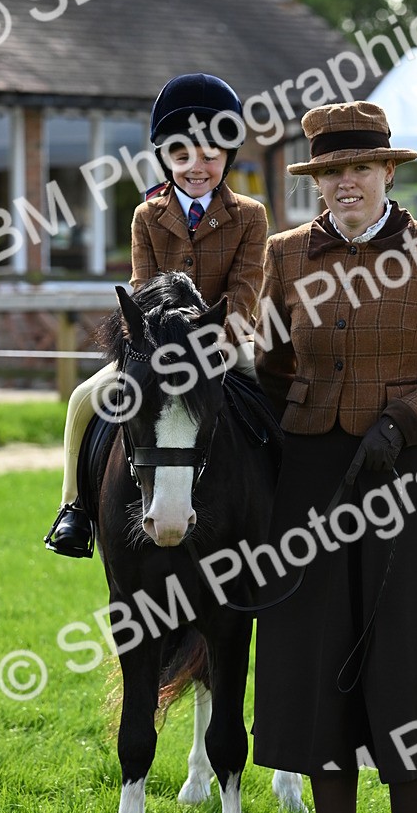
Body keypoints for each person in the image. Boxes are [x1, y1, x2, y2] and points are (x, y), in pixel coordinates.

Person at [251, 100, 417, 813]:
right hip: (312, 480)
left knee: (406, 660)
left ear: (389, 171)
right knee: (318, 662)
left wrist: (402, 420)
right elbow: (275, 363)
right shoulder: (284, 257)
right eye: (329, 173)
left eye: (358, 168)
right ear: (317, 182)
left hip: (405, 478)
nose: (344, 184)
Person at [44, 72, 269, 557]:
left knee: (279, 393)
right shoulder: (147, 216)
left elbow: (246, 290)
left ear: (227, 158)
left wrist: (212, 346)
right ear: (165, 157)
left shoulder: (250, 215)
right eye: (183, 155)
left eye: (210, 156)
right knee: (83, 399)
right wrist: (159, 348)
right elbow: (144, 290)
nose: (197, 167)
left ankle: (287, 504)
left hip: (225, 344)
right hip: (157, 347)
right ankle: (74, 510)